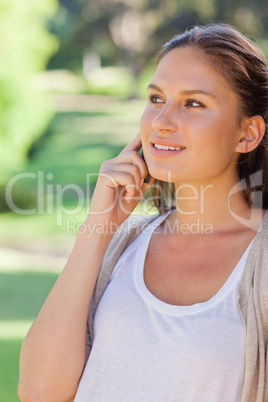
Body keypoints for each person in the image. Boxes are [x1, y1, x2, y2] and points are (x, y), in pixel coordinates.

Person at [18, 23, 268, 402]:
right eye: (155, 99)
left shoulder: (259, 261)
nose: (161, 122)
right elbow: (40, 392)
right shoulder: (123, 245)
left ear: (247, 134)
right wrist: (98, 228)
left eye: (193, 103)